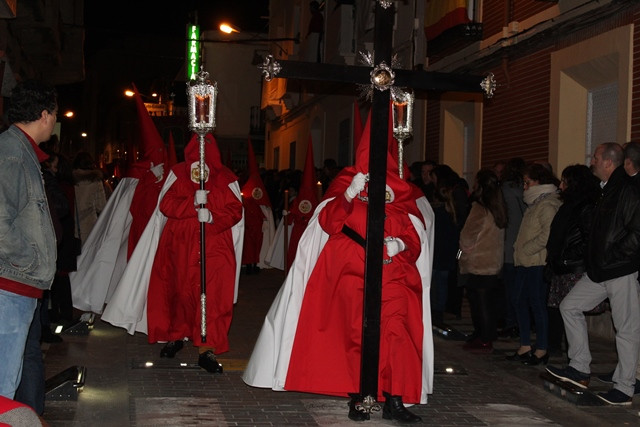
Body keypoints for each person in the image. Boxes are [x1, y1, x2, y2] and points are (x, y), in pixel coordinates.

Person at [243, 112, 434, 423]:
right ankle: (360, 396)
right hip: (351, 271)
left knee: (396, 334)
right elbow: (328, 222)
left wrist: (402, 245)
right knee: (356, 335)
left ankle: (395, 397)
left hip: (395, 275)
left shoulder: (399, 191)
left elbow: (414, 235)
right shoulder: (348, 183)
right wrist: (347, 194)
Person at [134, 133, 244, 373]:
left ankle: (207, 348)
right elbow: (166, 204)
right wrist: (192, 204)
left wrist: (214, 216)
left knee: (212, 298)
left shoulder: (224, 177)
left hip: (214, 248)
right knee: (179, 293)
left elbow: (235, 210)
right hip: (179, 247)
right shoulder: (178, 173)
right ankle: (175, 336)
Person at [546, 143, 640, 405]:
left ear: (609, 162)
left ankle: (624, 388)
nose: (592, 161)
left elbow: (636, 233)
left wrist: (614, 256)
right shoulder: (605, 190)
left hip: (620, 269)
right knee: (569, 306)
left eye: (596, 157)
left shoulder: (628, 190)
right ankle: (579, 368)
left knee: (626, 329)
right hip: (599, 270)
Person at [0, 80, 57, 400]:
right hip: (9, 285)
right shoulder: (12, 154)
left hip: (15, 284)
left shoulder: (20, 151)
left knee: (10, 377)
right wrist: (28, 258)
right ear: (45, 115)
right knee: (3, 384)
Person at [545, 164, 603, 357]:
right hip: (561, 267)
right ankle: (559, 352)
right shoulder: (569, 205)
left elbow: (588, 240)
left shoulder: (585, 206)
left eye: (564, 181)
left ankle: (576, 360)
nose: (561, 186)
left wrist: (566, 256)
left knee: (570, 311)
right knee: (560, 311)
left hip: (573, 269)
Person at [508, 163, 561, 366]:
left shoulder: (547, 204)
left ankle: (541, 348)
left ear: (539, 181)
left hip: (537, 262)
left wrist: (526, 249)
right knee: (519, 300)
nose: (525, 187)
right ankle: (525, 345)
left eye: (528, 182)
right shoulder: (536, 203)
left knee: (537, 304)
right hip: (525, 262)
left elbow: (547, 235)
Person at [459, 169, 507, 353]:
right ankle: (483, 334)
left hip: (478, 261)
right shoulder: (498, 208)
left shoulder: (479, 208)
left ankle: (484, 337)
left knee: (480, 303)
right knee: (486, 301)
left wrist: (461, 253)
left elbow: (467, 235)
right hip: (492, 262)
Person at [499, 157, 527, 338]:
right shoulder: (525, 190)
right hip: (523, 243)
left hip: (508, 243)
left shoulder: (504, 190)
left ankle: (511, 322)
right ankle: (521, 322)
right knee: (521, 288)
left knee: (509, 288)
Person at [72, 151, 107, 245]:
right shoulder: (95, 182)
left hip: (72, 227)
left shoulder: (71, 181)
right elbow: (101, 206)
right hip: (90, 227)